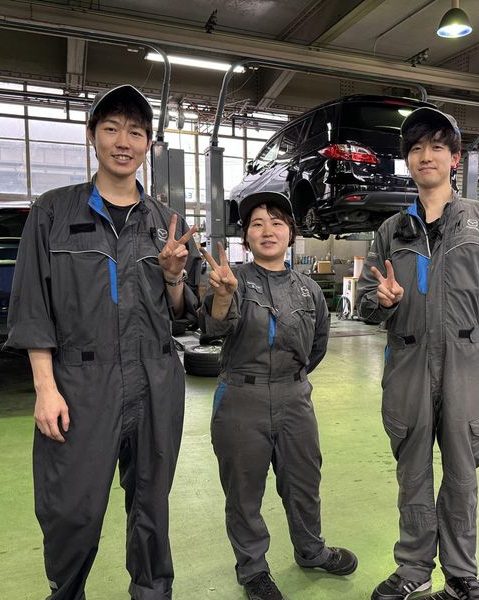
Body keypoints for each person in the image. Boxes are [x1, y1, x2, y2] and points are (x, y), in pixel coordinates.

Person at [7, 84, 200, 600]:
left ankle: (152, 591)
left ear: (148, 144)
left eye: (135, 132)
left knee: (152, 505)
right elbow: (32, 306)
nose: (123, 142)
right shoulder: (53, 212)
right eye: (111, 128)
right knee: (72, 507)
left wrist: (174, 276)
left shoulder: (165, 223)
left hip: (155, 381)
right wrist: (45, 388)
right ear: (92, 136)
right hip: (80, 384)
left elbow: (184, 313)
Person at [357, 107, 479, 600]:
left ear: (454, 158)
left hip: (464, 361)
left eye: (437, 147)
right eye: (417, 148)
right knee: (413, 472)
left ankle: (462, 574)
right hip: (408, 362)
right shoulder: (391, 230)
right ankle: (414, 568)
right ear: (408, 160)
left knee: (463, 473)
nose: (426, 156)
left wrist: (473, 344)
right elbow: (366, 302)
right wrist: (382, 303)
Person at [197, 191, 357, 600]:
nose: (267, 231)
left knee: (304, 482)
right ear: (246, 237)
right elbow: (212, 330)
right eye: (257, 224)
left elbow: (317, 346)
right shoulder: (230, 279)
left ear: (291, 234)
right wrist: (222, 296)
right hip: (241, 398)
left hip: (294, 398)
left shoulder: (309, 290)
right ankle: (253, 569)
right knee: (244, 491)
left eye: (277, 222)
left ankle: (311, 550)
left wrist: (289, 381)